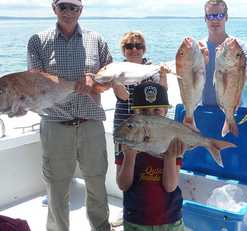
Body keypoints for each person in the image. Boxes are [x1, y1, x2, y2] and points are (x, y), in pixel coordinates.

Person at [27, 0, 112, 230]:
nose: (68, 12)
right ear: (53, 8)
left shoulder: (97, 40)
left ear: (81, 10)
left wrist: (95, 78)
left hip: (90, 123)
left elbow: (111, 75)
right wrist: (75, 84)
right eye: (63, 6)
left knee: (96, 181)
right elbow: (34, 82)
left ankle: (101, 226)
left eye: (74, 7)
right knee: (56, 186)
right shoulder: (37, 41)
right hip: (55, 125)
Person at [111, 31, 170, 228]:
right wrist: (114, 79)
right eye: (129, 46)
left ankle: (155, 206)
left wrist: (162, 74)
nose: (134, 49)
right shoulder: (117, 70)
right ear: (123, 50)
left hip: (150, 125)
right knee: (125, 165)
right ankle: (128, 207)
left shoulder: (151, 68)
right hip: (125, 122)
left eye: (138, 45)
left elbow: (162, 93)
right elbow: (123, 96)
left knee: (149, 165)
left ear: (144, 49)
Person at [115, 82, 185, 231]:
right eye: (144, 111)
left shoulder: (172, 141)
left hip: (170, 220)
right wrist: (129, 157)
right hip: (136, 221)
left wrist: (171, 157)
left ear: (165, 113)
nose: (150, 116)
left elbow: (170, 186)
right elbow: (123, 185)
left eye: (156, 111)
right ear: (135, 114)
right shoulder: (126, 141)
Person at [201, 0, 247, 106]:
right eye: (210, 16)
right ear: (205, 19)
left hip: (232, 109)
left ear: (226, 17)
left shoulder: (239, 48)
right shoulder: (199, 48)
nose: (215, 20)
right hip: (205, 111)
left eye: (219, 15)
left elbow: (243, 79)